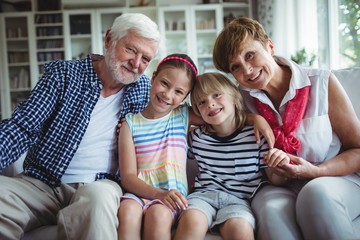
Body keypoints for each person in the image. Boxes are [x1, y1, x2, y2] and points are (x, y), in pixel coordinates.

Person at [0, 13, 161, 240]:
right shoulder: (63, 75)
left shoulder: (145, 89)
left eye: (145, 59)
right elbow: (21, 128)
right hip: (41, 183)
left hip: (101, 184)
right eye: (131, 50)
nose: (136, 63)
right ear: (109, 39)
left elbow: (178, 113)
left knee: (98, 201)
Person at [212, 16, 360, 240]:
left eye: (250, 55)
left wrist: (316, 172)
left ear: (269, 46)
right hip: (280, 185)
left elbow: (357, 149)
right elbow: (198, 111)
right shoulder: (239, 99)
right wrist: (253, 119)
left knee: (316, 192)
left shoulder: (321, 83)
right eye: (236, 67)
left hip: (335, 178)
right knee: (272, 211)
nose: (247, 70)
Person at [173, 72, 288, 240]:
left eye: (216, 95)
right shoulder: (196, 137)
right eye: (202, 102)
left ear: (235, 98)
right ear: (198, 112)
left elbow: (274, 178)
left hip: (239, 201)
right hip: (202, 196)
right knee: (192, 222)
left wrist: (280, 164)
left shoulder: (256, 135)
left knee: (240, 230)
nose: (210, 104)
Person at [117, 53, 203, 240]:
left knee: (158, 214)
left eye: (178, 92)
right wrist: (157, 194)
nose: (168, 94)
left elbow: (222, 114)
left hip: (172, 196)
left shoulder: (182, 116)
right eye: (164, 83)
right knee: (127, 210)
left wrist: (254, 118)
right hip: (140, 193)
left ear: (186, 96)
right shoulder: (130, 124)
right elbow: (128, 177)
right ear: (153, 77)